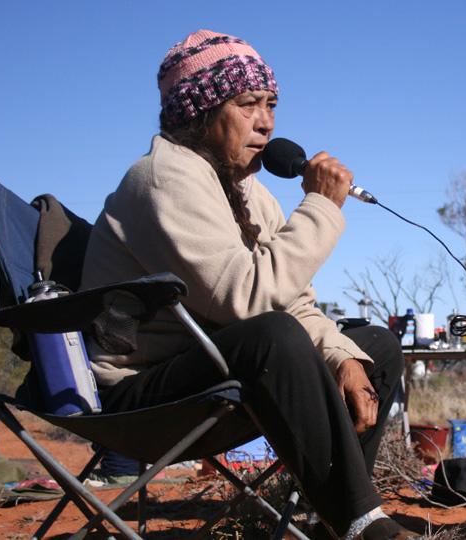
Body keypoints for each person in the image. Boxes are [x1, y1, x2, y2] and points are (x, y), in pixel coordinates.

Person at [80, 29, 418, 540]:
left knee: (376, 348)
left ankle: (336, 518)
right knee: (272, 334)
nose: (266, 121)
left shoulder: (251, 194)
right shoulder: (161, 179)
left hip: (220, 378)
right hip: (141, 397)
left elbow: (293, 300)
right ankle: (362, 522)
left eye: (272, 104)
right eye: (247, 104)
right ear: (198, 112)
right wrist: (321, 207)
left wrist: (342, 358)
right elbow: (248, 298)